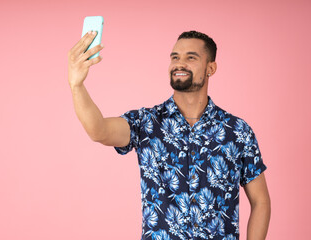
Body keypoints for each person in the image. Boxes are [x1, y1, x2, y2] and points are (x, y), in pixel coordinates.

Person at [68, 30, 271, 240]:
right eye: (175, 57)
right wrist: (77, 85)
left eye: (191, 57)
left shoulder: (237, 131)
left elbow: (260, 201)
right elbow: (99, 130)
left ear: (211, 68)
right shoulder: (146, 122)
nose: (179, 63)